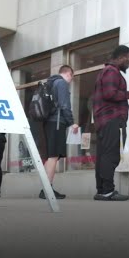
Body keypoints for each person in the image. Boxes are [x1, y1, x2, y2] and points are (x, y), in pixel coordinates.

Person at [92, 45, 129, 201]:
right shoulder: (112, 72)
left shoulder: (105, 72)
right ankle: (108, 190)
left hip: (103, 120)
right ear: (123, 57)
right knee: (111, 155)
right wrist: (128, 94)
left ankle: (102, 191)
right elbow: (110, 93)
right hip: (112, 119)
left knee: (103, 155)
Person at [38, 65, 79, 200]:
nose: (71, 81)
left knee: (51, 155)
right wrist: (71, 122)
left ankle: (45, 187)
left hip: (49, 122)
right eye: (71, 77)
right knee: (53, 156)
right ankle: (47, 189)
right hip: (56, 123)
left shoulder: (51, 82)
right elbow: (64, 104)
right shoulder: (61, 83)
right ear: (68, 74)